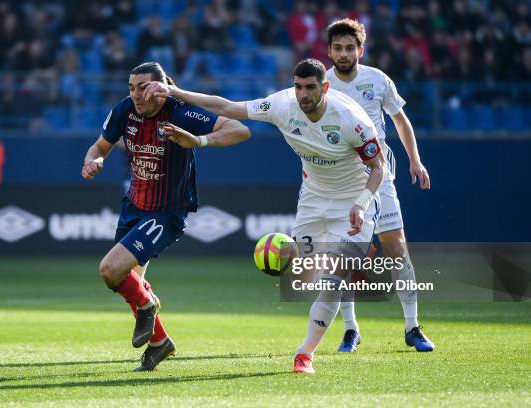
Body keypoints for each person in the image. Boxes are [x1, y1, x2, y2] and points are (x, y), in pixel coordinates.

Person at [144, 58, 386, 374]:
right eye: (298, 87)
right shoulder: (281, 105)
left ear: (324, 87)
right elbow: (227, 107)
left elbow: (379, 167)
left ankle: (305, 354)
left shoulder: (350, 119)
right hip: (313, 200)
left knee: (332, 280)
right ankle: (348, 290)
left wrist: (363, 202)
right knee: (305, 277)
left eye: (310, 87)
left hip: (354, 202)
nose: (302, 94)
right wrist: (176, 92)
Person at [81, 62, 250, 372]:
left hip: (166, 212)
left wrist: (199, 140)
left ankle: (149, 305)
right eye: (131, 88)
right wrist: (93, 161)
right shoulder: (123, 111)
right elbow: (98, 146)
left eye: (143, 87)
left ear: (160, 87)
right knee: (127, 281)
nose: (135, 94)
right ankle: (160, 343)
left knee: (109, 270)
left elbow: (240, 129)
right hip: (133, 207)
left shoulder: (180, 112)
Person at [325, 18, 434, 353]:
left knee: (397, 247)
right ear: (329, 51)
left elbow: (400, 119)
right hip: (342, 177)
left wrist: (415, 160)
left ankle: (413, 327)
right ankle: (350, 329)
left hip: (379, 172)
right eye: (338, 48)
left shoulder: (377, 80)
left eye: (349, 48)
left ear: (360, 49)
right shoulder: (321, 84)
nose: (343, 54)